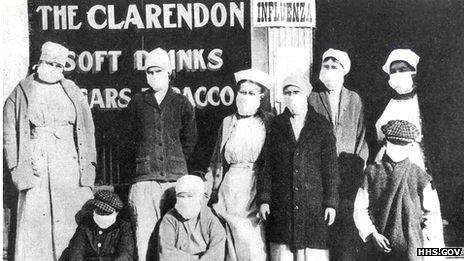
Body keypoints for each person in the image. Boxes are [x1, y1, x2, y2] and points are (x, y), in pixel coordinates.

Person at [3, 41, 96, 261]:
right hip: (37, 165)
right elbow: (9, 132)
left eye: (58, 64)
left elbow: (87, 130)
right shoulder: (22, 91)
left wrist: (88, 168)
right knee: (37, 228)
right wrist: (17, 169)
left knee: (71, 224)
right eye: (48, 62)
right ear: (39, 62)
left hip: (68, 165)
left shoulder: (72, 90)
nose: (52, 68)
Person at [258, 75, 339, 261]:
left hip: (313, 206)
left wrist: (331, 203)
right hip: (282, 205)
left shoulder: (321, 125)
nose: (291, 96)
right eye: (287, 92)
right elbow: (267, 165)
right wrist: (264, 199)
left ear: (306, 95)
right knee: (282, 253)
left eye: (296, 92)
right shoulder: (276, 125)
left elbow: (331, 170)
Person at [127, 47, 198, 261]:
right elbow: (128, 140)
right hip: (145, 181)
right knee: (145, 236)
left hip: (174, 181)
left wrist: (175, 161)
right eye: (149, 71)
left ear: (169, 73)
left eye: (158, 71)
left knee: (175, 236)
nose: (154, 76)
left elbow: (189, 140)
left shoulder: (182, 102)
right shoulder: (137, 102)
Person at [207, 68, 273, 261]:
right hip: (229, 188)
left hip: (254, 187)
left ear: (261, 97)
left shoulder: (267, 123)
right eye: (242, 92)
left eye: (251, 93)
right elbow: (215, 160)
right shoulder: (228, 122)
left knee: (252, 242)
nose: (245, 96)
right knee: (229, 243)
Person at [353, 120, 443, 261]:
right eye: (394, 143)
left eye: (403, 145)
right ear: (386, 143)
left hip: (411, 249)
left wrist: (421, 239)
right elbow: (359, 208)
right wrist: (372, 234)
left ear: (411, 146)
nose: (398, 148)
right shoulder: (371, 173)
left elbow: (433, 213)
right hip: (378, 248)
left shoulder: (420, 176)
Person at [309, 48, 368, 261]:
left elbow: (361, 136)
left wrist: (357, 166)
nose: (330, 71)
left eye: (334, 67)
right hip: (321, 170)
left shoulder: (354, 99)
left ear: (344, 71)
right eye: (326, 66)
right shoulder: (313, 97)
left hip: (347, 171)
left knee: (345, 222)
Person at [158, 175, 226, 261]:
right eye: (181, 196)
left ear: (199, 197)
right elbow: (165, 252)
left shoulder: (211, 219)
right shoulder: (170, 219)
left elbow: (217, 252)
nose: (185, 201)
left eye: (190, 196)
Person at [65, 190, 135, 261]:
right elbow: (76, 252)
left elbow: (125, 254)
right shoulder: (86, 225)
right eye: (99, 211)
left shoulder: (123, 227)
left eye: (107, 213)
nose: (102, 215)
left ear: (116, 213)